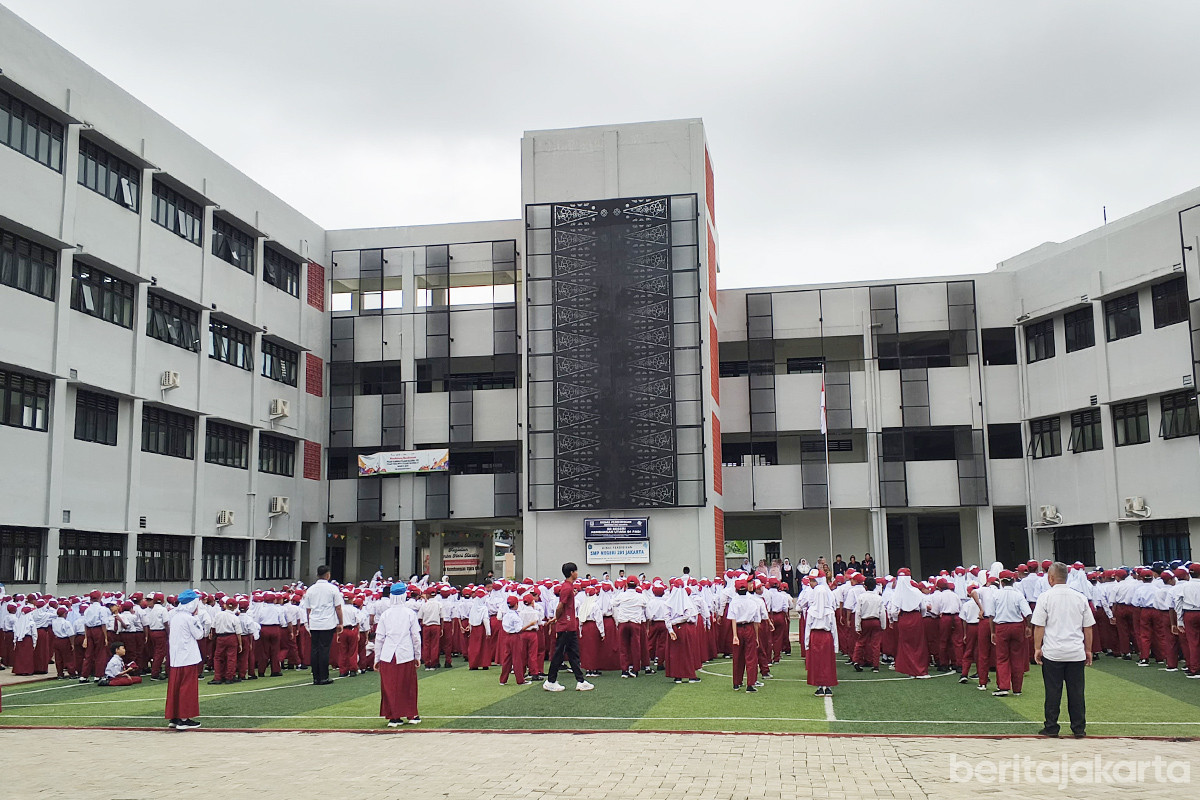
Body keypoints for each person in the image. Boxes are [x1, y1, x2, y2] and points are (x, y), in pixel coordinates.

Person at [1032, 561, 1095, 738]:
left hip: (1053, 652)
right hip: (1075, 652)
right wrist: (1088, 650)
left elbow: (1039, 626)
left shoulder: (1045, 597)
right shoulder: (1080, 597)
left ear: (1051, 578)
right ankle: (1079, 728)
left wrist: (1037, 647)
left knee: (1053, 691)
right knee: (1076, 692)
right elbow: (1088, 627)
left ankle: (1051, 727)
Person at [375, 583, 422, 726]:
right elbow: (415, 637)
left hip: (388, 654)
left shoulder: (385, 614)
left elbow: (379, 638)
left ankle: (393, 717)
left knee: (390, 686)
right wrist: (418, 656)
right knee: (408, 685)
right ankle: (411, 714)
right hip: (405, 653)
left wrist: (377, 658)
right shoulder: (410, 613)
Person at [165, 589, 205, 730]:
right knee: (187, 688)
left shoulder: (175, 616)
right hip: (188, 657)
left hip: (176, 658)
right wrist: (197, 618)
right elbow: (199, 635)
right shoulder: (190, 618)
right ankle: (184, 718)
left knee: (175, 688)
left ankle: (174, 717)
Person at [990, 570, 1032, 697]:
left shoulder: (996, 594)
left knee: (1002, 658)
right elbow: (1028, 613)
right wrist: (1028, 626)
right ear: (1013, 581)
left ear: (1001, 582)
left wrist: (992, 632)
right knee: (1017, 657)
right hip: (1017, 626)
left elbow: (991, 615)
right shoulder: (1018, 594)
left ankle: (1003, 686)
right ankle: (1017, 689)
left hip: (1001, 627)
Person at [301, 565, 345, 686]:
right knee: (324, 650)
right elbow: (338, 607)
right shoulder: (332, 589)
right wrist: (341, 622)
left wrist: (310, 622)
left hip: (314, 622)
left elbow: (308, 609)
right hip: (327, 623)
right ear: (328, 575)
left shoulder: (311, 589)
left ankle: (316, 677)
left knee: (314, 650)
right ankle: (324, 676)